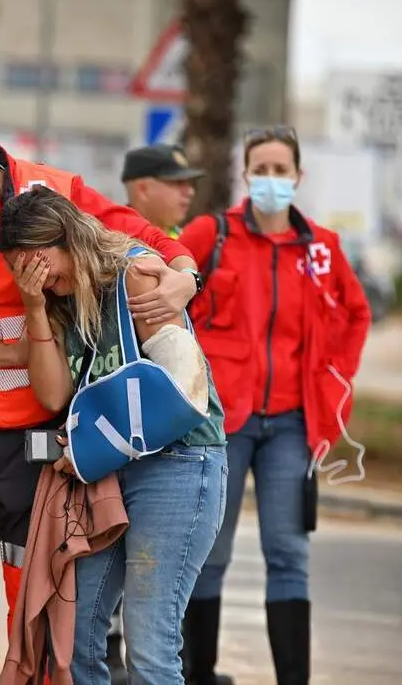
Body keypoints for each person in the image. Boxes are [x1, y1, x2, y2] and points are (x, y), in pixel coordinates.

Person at [0, 126, 207, 685]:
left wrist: (184, 273)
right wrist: (18, 353)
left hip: (41, 432)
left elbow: (138, 234)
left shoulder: (54, 192)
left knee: (39, 596)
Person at [0, 186, 227, 684]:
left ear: (66, 237)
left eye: (40, 263)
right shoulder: (56, 302)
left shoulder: (137, 277)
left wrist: (92, 449)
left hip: (179, 465)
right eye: (21, 270)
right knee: (75, 631)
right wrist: (34, 308)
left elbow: (185, 394)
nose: (38, 278)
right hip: (110, 475)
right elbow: (54, 396)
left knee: (149, 646)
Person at [179, 125, 372, 685]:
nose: (270, 179)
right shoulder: (211, 235)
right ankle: (199, 676)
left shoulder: (321, 249)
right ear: (245, 174)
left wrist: (335, 376)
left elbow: (356, 314)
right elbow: (166, 293)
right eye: (260, 169)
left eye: (280, 170)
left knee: (289, 554)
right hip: (220, 423)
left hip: (292, 423)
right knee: (209, 552)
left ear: (298, 176)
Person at [105, 142, 205, 683]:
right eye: (176, 181)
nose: (188, 191)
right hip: (129, 432)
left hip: (176, 430)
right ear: (142, 187)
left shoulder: (180, 252)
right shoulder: (126, 251)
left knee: (153, 614)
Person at [122, 144, 204, 238]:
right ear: (143, 189)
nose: (190, 192)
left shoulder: (186, 240)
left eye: (189, 183)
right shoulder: (113, 240)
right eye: (178, 182)